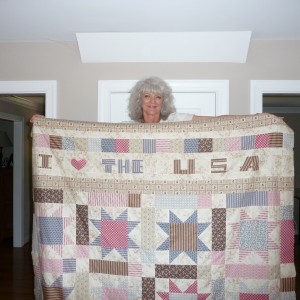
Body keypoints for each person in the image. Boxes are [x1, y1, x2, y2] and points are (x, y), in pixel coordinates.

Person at [128, 76, 212, 123]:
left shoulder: (175, 120)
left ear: (164, 102)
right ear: (139, 100)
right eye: (147, 96)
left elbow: (211, 121)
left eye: (158, 97)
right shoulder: (129, 129)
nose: (152, 101)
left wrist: (225, 121)